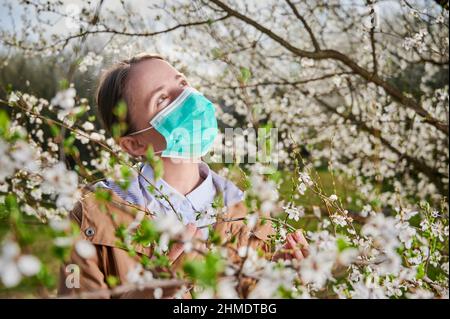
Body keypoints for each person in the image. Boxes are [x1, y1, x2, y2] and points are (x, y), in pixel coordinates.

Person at [57, 53, 308, 298]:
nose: (187, 98)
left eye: (183, 83)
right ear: (134, 145)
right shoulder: (92, 215)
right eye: (163, 99)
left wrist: (278, 280)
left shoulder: (250, 214)